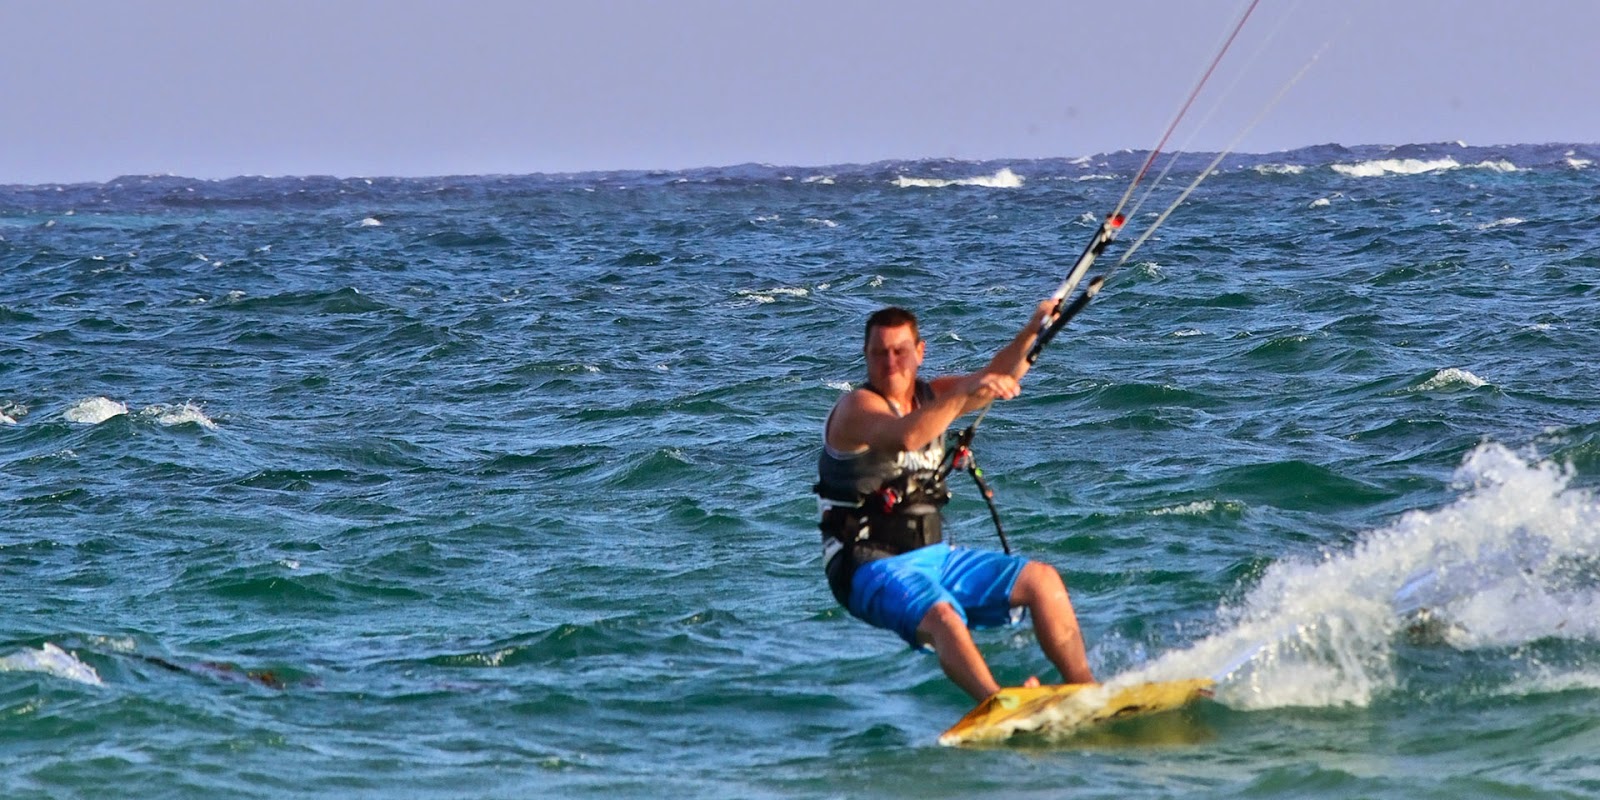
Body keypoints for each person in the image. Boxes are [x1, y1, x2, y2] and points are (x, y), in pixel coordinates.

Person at [815, 301, 1095, 701]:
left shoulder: (935, 395)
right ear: (865, 356)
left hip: (932, 558)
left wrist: (1033, 328)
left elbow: (997, 377)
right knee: (944, 618)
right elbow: (907, 436)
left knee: (1042, 580)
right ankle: (996, 704)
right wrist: (965, 391)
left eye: (900, 351)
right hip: (866, 566)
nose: (891, 362)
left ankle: (1084, 689)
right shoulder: (855, 409)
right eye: (879, 352)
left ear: (920, 352)